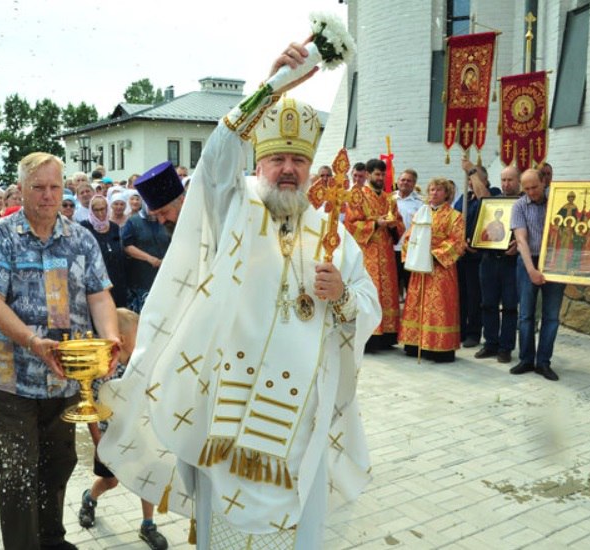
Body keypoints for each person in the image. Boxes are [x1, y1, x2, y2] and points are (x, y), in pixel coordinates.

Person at [98, 43, 380, 548]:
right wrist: (270, 87)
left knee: (294, 533)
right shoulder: (237, 210)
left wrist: (340, 296)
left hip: (299, 423)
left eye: (298, 159)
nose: (288, 169)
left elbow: (367, 306)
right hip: (226, 415)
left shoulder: (334, 234)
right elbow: (216, 158)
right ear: (260, 164)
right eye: (277, 160)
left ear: (312, 168)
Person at [0, 152, 120, 550]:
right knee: (17, 475)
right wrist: (33, 341)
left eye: (55, 187)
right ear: (21, 189)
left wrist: (110, 339)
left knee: (58, 464)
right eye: (38, 187)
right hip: (12, 381)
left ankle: (52, 539)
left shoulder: (80, 237)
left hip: (64, 379)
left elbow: (99, 295)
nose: (48, 195)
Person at [78, 308, 168, 549]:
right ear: (125, 339)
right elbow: (91, 410)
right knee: (111, 481)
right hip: (110, 438)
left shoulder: (139, 368)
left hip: (139, 435)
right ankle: (89, 498)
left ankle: (148, 524)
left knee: (147, 477)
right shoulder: (101, 372)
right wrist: (98, 442)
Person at [398, 178, 466, 362]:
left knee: (439, 306)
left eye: (438, 190)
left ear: (447, 194)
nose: (434, 193)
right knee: (417, 304)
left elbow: (457, 242)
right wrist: (413, 253)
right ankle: (415, 344)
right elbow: (409, 237)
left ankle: (439, 348)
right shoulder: (421, 213)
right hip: (420, 268)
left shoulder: (454, 216)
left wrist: (433, 254)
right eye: (432, 189)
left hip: (440, 269)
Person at [510, 169, 565, 381]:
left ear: (544, 182)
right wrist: (531, 270)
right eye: (527, 188)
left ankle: (543, 362)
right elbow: (521, 240)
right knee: (526, 314)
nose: (531, 192)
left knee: (551, 316)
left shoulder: (556, 201)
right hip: (528, 260)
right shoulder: (519, 206)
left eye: (535, 187)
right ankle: (525, 359)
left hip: (555, 262)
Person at [344, 157, 405, 351]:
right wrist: (374, 224)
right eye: (377, 174)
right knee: (371, 290)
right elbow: (351, 225)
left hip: (386, 253)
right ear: (368, 174)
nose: (380, 178)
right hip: (367, 252)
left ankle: (387, 335)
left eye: (383, 174)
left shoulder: (389, 199)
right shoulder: (358, 197)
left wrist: (393, 225)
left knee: (388, 292)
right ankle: (370, 337)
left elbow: (400, 223)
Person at [474, 166, 520, 364]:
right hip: (489, 259)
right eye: (503, 180)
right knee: (487, 304)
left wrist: (519, 243)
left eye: (510, 180)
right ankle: (490, 343)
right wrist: (475, 238)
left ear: (518, 181)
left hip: (511, 263)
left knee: (510, 306)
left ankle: (506, 347)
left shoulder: (523, 203)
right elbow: (482, 227)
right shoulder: (492, 202)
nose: (506, 184)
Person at [453, 162, 501, 348]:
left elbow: (485, 201)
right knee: (461, 295)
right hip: (461, 252)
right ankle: (461, 331)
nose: (471, 181)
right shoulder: (465, 198)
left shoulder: (494, 192)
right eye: (469, 178)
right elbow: (455, 219)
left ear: (485, 179)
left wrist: (471, 170)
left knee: (475, 296)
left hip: (479, 255)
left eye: (474, 177)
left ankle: (474, 332)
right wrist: (459, 241)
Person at [122, 179, 171, 313]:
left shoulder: (166, 221)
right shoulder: (134, 221)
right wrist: (149, 258)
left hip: (164, 274)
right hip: (141, 277)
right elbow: (127, 245)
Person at [81, 195, 127, 307]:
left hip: (116, 278)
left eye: (103, 209)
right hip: (96, 280)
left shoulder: (114, 227)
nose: (100, 213)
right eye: (96, 210)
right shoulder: (84, 227)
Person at [394, 169, 424, 298]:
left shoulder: (421, 203)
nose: (405, 183)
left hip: (411, 251)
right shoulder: (388, 199)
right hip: (392, 249)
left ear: (414, 183)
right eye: (402, 180)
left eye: (409, 180)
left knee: (411, 287)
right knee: (392, 287)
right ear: (397, 181)